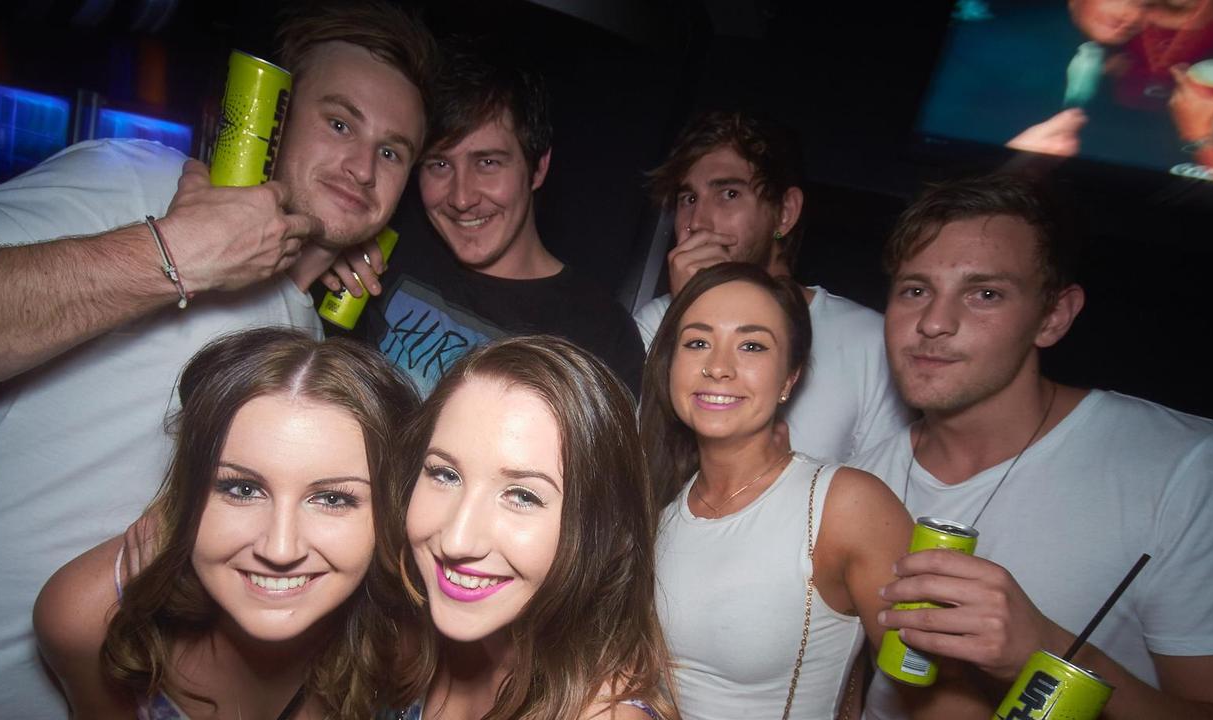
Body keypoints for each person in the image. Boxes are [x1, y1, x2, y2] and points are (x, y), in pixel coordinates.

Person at [0, 3, 434, 716]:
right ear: (276, 116)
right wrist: (171, 253)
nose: (362, 165)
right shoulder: (143, 184)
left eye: (392, 151)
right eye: (339, 122)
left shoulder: (306, 348)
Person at [855, 175, 1213, 719]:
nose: (933, 322)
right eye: (915, 289)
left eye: (985, 294)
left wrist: (1047, 651)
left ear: (1053, 316)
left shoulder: (1181, 468)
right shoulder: (863, 478)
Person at [33, 327, 419, 719]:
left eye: (332, 499)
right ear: (188, 489)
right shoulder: (89, 621)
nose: (279, 549)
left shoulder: (403, 641)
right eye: (243, 489)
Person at [639, 262, 922, 719]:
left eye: (751, 346)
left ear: (789, 378)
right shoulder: (662, 509)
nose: (717, 367)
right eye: (697, 343)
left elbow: (936, 698)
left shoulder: (844, 505)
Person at [373, 336, 677, 719]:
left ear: (604, 531)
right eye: (445, 474)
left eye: (522, 496)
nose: (456, 539)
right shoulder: (417, 634)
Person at [322, 44, 645, 398]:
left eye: (488, 163)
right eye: (439, 165)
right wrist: (327, 249)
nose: (462, 198)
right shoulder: (386, 246)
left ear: (538, 168)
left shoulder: (600, 334)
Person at [634, 111, 908, 463]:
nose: (698, 222)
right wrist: (684, 314)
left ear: (784, 213)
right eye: (688, 199)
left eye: (729, 194)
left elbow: (879, 501)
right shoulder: (656, 321)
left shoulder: (867, 341)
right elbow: (639, 467)